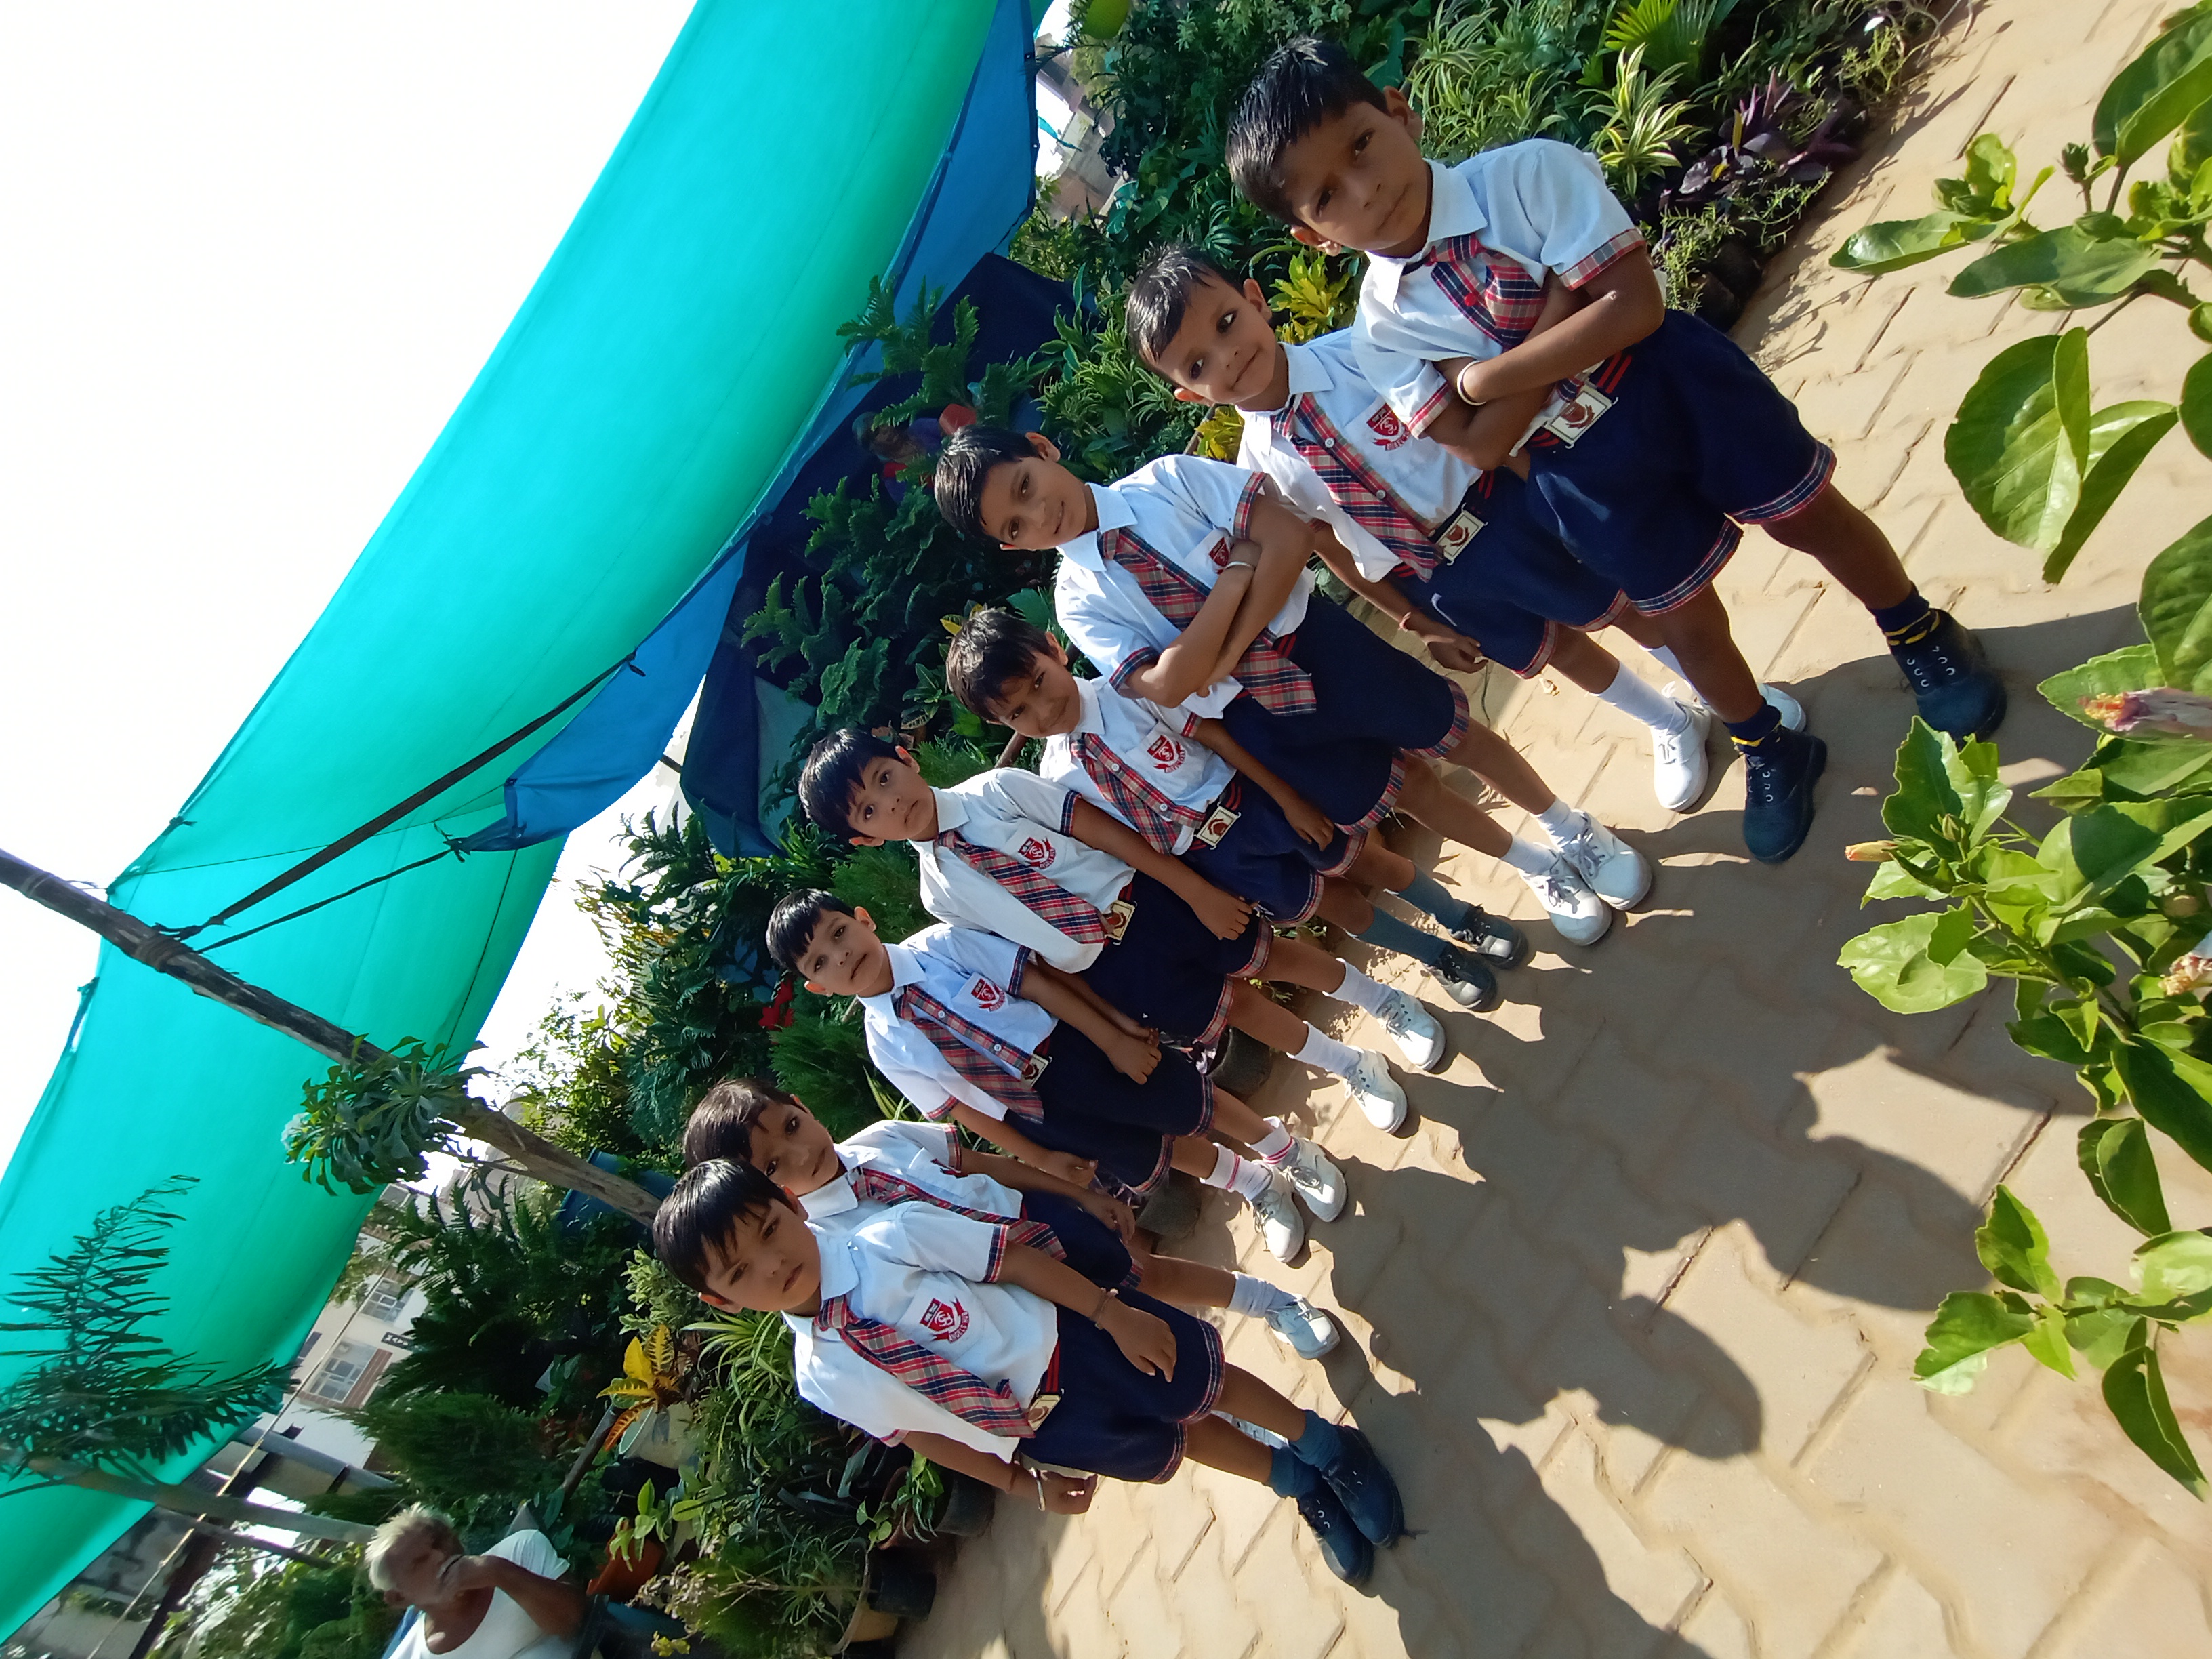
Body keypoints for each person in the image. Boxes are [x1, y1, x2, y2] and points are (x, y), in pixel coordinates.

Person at [1223, 37, 2007, 863]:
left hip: (1673, 385)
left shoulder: (1527, 177)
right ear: (1313, 235)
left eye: (1361, 145)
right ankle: (1766, 742)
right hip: (1578, 467)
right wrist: (1563, 306)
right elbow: (1480, 447)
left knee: (1807, 514)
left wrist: (1481, 377)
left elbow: (1634, 309)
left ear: (1398, 112)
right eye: (1327, 195)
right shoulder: (1381, 333)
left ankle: (1920, 634)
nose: (1365, 188)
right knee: (1683, 620)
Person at [1122, 241, 1813, 814]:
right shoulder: (1256, 472)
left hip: (1506, 505)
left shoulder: (1365, 353)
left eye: (1226, 323)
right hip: (1440, 573)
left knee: (1625, 605)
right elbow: (1330, 544)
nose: (1227, 357)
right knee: (1557, 652)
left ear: (1255, 299)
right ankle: (1669, 722)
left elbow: (1472, 423)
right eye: (1198, 365)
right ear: (1187, 393)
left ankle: (1731, 698)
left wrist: (1550, 495)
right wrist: (1416, 619)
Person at [930, 421, 1650, 945]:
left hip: (1327, 647)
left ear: (1043, 449)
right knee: (1409, 789)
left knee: (1453, 734)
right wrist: (1238, 574)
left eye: (1026, 487)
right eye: (1016, 524)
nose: (1038, 514)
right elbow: (1170, 685)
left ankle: (1569, 829)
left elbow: (1289, 536)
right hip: (1262, 717)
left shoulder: (1169, 482)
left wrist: (1215, 650)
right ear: (1011, 545)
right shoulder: (1079, 603)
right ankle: (1535, 865)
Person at [653, 1157, 1404, 1586]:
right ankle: (1295, 1481)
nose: (773, 1264)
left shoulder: (888, 1238)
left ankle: (1325, 1444)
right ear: (721, 1299)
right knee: (1175, 1440)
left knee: (1202, 1384)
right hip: (1039, 1425)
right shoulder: (820, 1372)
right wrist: (1019, 1482)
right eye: (741, 1271)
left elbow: (1010, 1259)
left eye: (769, 1230)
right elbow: (918, 1434)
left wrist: (1112, 1314)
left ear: (792, 1206)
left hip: (1076, 1339)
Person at [794, 725, 1444, 1122]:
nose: (890, 804)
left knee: (1271, 957)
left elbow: (1100, 832)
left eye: (885, 778)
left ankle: (1385, 1003)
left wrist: (1192, 889)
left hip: (1154, 901)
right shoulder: (939, 894)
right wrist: (1112, 1019)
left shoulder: (998, 791)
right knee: (1236, 1009)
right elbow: (1031, 960)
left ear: (906, 759)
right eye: (869, 812)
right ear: (864, 839)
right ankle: (1349, 1064)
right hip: (1112, 967)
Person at [941, 607, 1530, 1015]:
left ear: (1054, 649)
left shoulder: (1130, 690)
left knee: (1371, 865)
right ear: (1001, 724)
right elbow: (1129, 838)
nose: (1043, 710)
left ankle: (1461, 917)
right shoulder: (1054, 776)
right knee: (1335, 905)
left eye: (1039, 683)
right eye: (1019, 713)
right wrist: (1204, 888)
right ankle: (1437, 956)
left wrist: (1287, 797)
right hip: (1215, 857)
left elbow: (1215, 737)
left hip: (1254, 803)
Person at [762, 889, 1336, 1262]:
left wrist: (1110, 1038)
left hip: (1075, 1049)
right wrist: (1041, 1158)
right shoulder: (886, 1044)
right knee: (1148, 1149)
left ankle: (1285, 1152)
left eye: (839, 933)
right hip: (1035, 1110)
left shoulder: (942, 946)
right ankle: (1254, 1185)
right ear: (818, 987)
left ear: (863, 918)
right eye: (820, 962)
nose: (841, 956)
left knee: (1187, 1099)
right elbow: (960, 1110)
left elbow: (1035, 984)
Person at [680, 1076, 1340, 1358]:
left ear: (801, 1107)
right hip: (1011, 1298)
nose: (801, 1153)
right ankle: (1206, 1369)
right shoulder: (828, 1248)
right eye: (774, 1165)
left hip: (1037, 1221)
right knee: (1127, 1329)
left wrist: (1076, 1194)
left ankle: (1273, 1302)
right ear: (758, 1193)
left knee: (1149, 1274)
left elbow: (977, 1165)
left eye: (792, 1126)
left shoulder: (882, 1140)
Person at [365, 1508, 586, 1659]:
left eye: (440, 1540)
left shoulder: (517, 1552)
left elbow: (578, 1621)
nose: (440, 1556)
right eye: (419, 1562)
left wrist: (500, 1573)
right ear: (398, 1598)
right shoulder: (412, 1655)